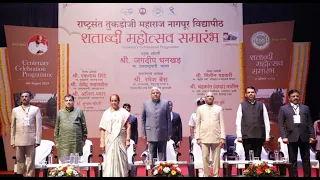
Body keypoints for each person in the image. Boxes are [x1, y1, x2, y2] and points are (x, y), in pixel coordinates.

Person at [278, 89, 315, 177]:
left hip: (304, 136)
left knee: (306, 160)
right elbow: (281, 124)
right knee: (292, 160)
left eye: (297, 96)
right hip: (291, 137)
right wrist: (284, 136)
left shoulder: (305, 108)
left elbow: (309, 122)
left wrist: (312, 135)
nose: (295, 98)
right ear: (289, 98)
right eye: (293, 96)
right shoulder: (283, 109)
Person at [10, 90, 42, 177]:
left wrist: (38, 140)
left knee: (30, 161)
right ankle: (20, 175)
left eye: (26, 96)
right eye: (23, 96)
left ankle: (30, 176)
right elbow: (13, 127)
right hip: (18, 139)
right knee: (19, 161)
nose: (24, 98)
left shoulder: (35, 109)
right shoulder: (15, 110)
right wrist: (12, 141)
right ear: (20, 98)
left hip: (31, 140)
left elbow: (39, 126)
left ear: (30, 98)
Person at [235, 86, 270, 161]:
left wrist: (267, 135)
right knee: (248, 157)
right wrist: (239, 135)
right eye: (248, 92)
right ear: (245, 95)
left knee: (258, 157)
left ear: (255, 94)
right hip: (246, 136)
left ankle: (257, 173)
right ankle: (248, 173)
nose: (250, 94)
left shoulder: (261, 105)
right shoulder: (242, 105)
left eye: (252, 92)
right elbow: (238, 121)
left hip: (259, 135)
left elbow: (266, 120)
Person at [99, 94, 131, 177]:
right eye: (112, 101)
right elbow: (102, 128)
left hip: (120, 138)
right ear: (110, 102)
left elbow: (128, 126)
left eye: (115, 100)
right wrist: (102, 141)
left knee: (121, 159)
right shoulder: (106, 113)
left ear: (118, 101)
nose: (114, 102)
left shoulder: (124, 113)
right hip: (109, 139)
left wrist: (127, 139)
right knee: (109, 159)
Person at [196, 92, 225, 177]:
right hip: (204, 137)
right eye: (208, 96)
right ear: (205, 98)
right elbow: (197, 124)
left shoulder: (219, 108)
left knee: (216, 159)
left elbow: (222, 124)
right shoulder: (200, 109)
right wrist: (198, 137)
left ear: (214, 98)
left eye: (211, 96)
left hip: (216, 137)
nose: (209, 98)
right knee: (205, 158)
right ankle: (206, 175)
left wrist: (222, 137)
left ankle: (216, 175)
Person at [54, 94, 88, 163]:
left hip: (76, 143)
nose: (68, 102)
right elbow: (56, 128)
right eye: (66, 100)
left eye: (70, 100)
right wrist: (56, 142)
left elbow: (84, 127)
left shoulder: (79, 112)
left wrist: (83, 139)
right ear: (64, 102)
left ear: (73, 101)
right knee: (63, 167)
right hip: (63, 143)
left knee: (75, 167)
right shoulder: (60, 113)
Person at [141, 87, 171, 161]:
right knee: (152, 156)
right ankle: (153, 171)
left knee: (162, 155)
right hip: (150, 133)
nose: (155, 94)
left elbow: (168, 119)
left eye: (157, 93)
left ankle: (163, 172)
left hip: (163, 133)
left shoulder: (165, 103)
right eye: (153, 93)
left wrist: (169, 133)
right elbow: (143, 119)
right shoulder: (146, 103)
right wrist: (143, 133)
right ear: (151, 94)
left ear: (160, 94)